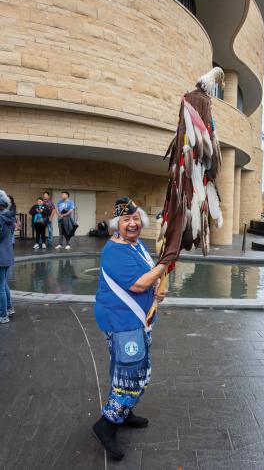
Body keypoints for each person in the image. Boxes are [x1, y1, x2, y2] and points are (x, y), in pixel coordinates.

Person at [92, 197, 167, 461]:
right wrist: (163, 265)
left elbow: (150, 278)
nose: (132, 224)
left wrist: (158, 291)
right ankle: (107, 424)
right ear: (117, 224)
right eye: (126, 220)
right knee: (132, 374)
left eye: (136, 219)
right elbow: (137, 285)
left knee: (132, 368)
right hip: (121, 322)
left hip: (136, 321)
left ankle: (124, 411)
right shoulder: (114, 251)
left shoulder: (137, 245)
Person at [0, 190, 15, 324]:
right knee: (3, 284)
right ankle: (9, 308)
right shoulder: (9, 216)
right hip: (7, 254)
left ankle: (3, 315)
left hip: (1, 255)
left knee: (0, 286)